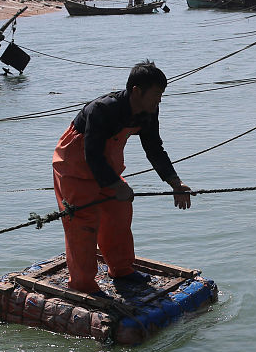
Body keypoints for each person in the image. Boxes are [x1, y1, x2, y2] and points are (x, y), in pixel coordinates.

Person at [52, 61, 192, 296]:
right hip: (74, 169)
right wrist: (116, 184)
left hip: (106, 169)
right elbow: (92, 154)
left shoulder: (148, 112)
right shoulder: (102, 109)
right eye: (157, 95)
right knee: (82, 224)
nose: (159, 101)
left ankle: (121, 269)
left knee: (120, 209)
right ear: (137, 91)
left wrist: (175, 183)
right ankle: (83, 284)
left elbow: (154, 148)